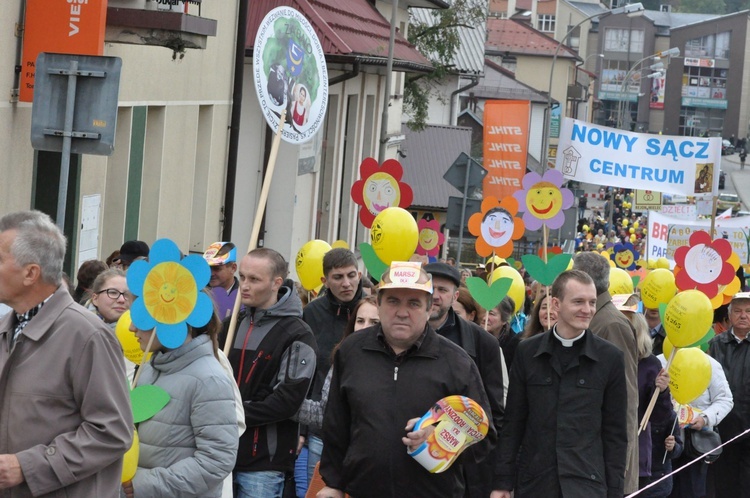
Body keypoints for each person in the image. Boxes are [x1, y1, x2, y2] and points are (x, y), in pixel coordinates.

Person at [318, 261, 495, 498]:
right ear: (378, 304)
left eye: (413, 303)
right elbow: (336, 425)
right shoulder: (351, 351)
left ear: (429, 307)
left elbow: (484, 436)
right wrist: (333, 484)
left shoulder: (457, 363)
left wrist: (441, 440)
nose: (402, 312)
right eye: (393, 301)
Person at [0, 210, 133, 496]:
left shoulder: (88, 336)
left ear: (31, 273)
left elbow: (112, 432)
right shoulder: (5, 328)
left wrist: (28, 466)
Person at [493, 270, 628, 498]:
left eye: (592, 302)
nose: (587, 310)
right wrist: (502, 483)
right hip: (536, 483)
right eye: (578, 302)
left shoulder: (610, 357)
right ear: (556, 304)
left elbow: (615, 434)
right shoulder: (528, 352)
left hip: (586, 484)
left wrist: (615, 492)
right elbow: (513, 422)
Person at [223, 248, 317, 498]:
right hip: (220, 454)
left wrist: (231, 411)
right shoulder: (231, 325)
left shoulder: (298, 334)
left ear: (277, 283)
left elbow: (286, 402)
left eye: (254, 279)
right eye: (242, 277)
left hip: (263, 462)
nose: (244, 285)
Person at [124, 313, 239, 497]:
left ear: (171, 320)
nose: (131, 327)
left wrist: (145, 485)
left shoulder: (209, 379)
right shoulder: (149, 370)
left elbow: (217, 460)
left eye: (142, 317)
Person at [424, 262, 507, 498]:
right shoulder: (403, 335)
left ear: (455, 296)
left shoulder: (483, 343)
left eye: (443, 290)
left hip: (463, 465)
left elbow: (494, 414)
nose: (435, 296)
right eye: (430, 288)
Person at [573, 251, 640, 495]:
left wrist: (621, 461)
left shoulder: (611, 324)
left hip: (604, 456)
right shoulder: (594, 317)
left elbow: (627, 397)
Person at [302, 248, 365, 480]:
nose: (346, 283)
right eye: (338, 277)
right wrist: (301, 430)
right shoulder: (311, 314)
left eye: (351, 275)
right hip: (321, 429)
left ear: (359, 275)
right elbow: (304, 372)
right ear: (325, 281)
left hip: (363, 428)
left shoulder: (373, 308)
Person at [707, 291, 750, 498]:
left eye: (749, 311)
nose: (744, 316)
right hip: (724, 427)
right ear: (730, 315)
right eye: (739, 311)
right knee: (724, 483)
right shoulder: (716, 344)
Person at [203, 241, 240, 320]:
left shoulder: (243, 296)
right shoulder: (200, 294)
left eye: (217, 268)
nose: (211, 273)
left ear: (233, 268)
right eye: (208, 268)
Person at [486, 296, 520, 370]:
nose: (485, 317)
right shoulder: (473, 336)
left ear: (504, 319)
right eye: (483, 311)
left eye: (491, 313)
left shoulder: (515, 343)